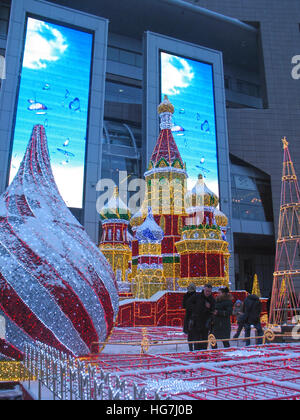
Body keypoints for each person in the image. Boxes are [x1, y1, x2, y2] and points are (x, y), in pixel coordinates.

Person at [189, 284, 215, 351]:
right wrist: (195, 310)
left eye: (209, 291)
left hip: (205, 322)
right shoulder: (197, 296)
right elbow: (188, 304)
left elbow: (213, 310)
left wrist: (209, 308)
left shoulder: (212, 299)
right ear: (204, 289)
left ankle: (203, 352)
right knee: (197, 340)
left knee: (204, 339)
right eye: (206, 291)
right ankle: (197, 352)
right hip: (196, 321)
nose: (208, 293)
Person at [182, 283, 198, 351]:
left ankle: (191, 348)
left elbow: (184, 305)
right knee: (193, 334)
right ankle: (193, 348)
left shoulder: (187, 296)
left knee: (191, 334)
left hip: (191, 316)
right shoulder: (196, 296)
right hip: (192, 316)